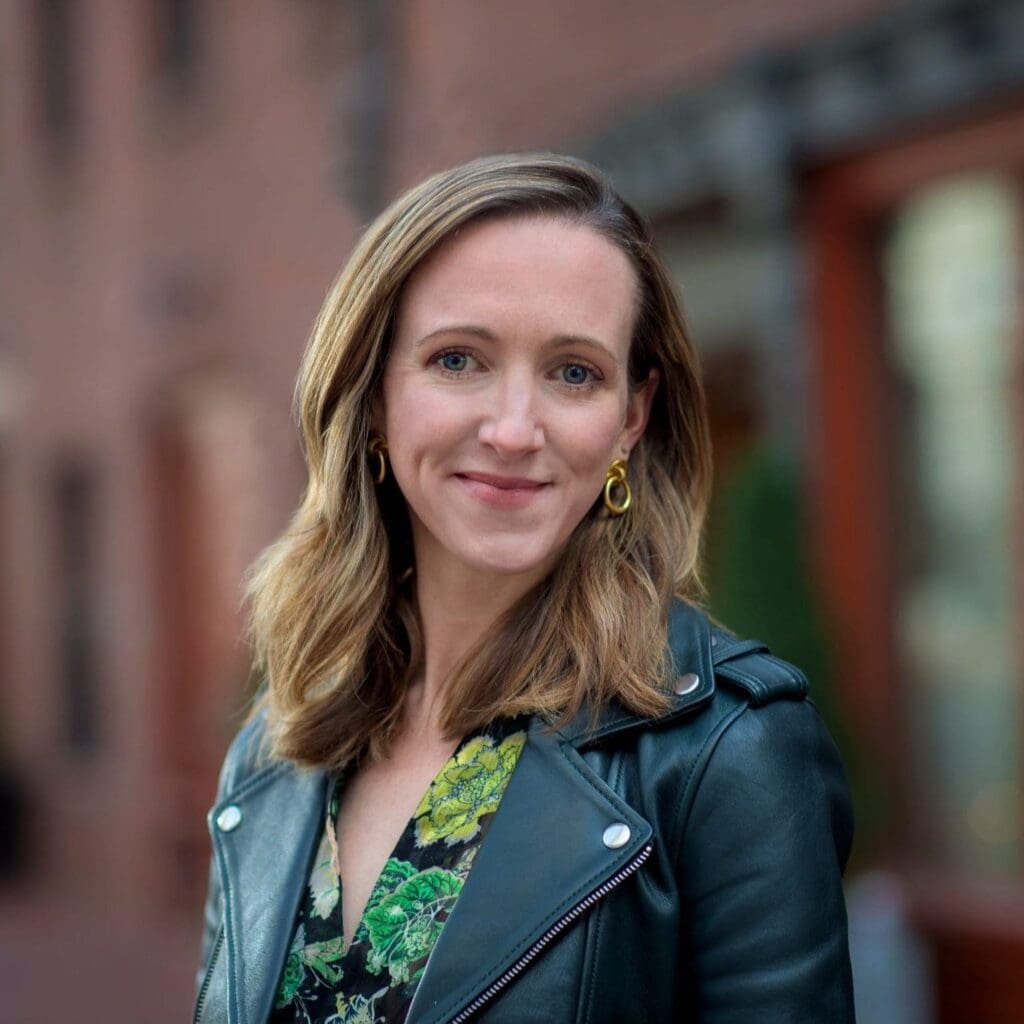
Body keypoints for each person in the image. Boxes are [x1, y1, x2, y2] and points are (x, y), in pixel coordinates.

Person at [192, 152, 855, 1024]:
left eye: (573, 372)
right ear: (375, 394)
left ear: (630, 420)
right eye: (458, 359)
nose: (512, 430)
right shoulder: (276, 749)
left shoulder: (729, 753)